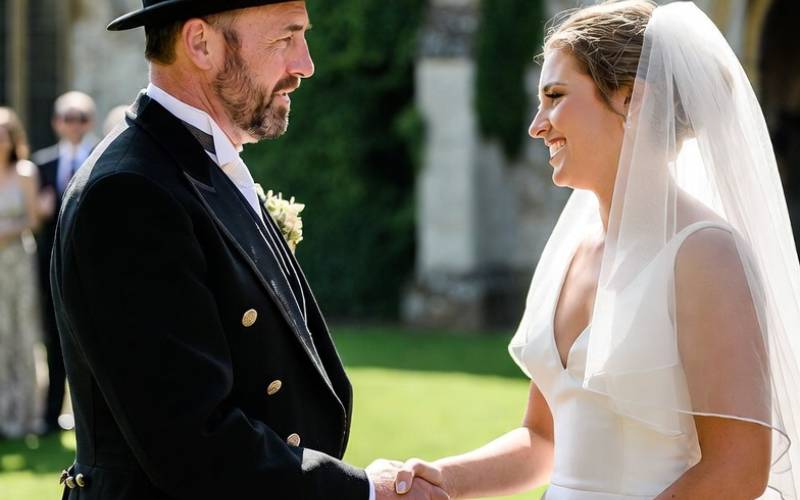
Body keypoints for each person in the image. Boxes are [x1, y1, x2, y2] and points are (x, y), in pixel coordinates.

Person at [391, 1, 800, 499]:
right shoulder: (569, 248)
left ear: (632, 101)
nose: (536, 125)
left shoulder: (705, 254)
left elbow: (737, 467)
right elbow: (544, 438)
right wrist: (443, 478)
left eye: (556, 96)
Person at [50, 1, 447, 499]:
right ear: (200, 43)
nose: (305, 64)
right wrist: (365, 491)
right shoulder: (130, 193)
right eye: (285, 39)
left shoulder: (196, 164)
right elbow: (191, 442)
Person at [32, 90, 98, 435]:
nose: (75, 125)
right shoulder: (40, 165)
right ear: (57, 123)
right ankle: (48, 416)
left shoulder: (101, 159)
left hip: (90, 268)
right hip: (49, 266)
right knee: (52, 339)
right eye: (68, 118)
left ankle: (92, 419)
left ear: (90, 123)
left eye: (82, 118)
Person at [0, 107, 43, 439]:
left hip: (18, 257)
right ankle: (6, 416)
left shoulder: (26, 172)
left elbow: (33, 219)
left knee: (24, 333)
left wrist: (6, 232)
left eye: (4, 133)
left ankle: (31, 416)